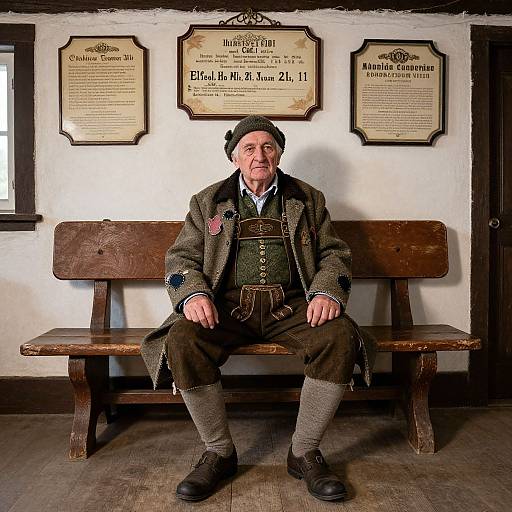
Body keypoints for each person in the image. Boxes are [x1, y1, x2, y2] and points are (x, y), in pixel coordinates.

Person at [141, 115, 375, 502]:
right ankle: (218, 452)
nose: (259, 155)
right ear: (234, 157)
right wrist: (194, 295)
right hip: (227, 308)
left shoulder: (308, 199)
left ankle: (304, 451)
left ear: (279, 152)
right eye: (248, 148)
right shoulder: (208, 201)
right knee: (183, 338)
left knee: (339, 336)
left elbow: (335, 253)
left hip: (293, 306)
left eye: (268, 146)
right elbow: (180, 256)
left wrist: (327, 293)